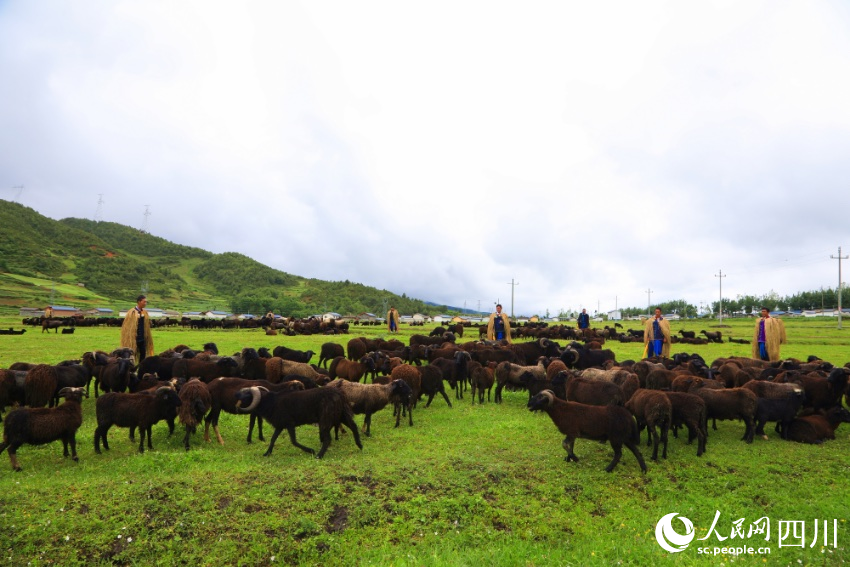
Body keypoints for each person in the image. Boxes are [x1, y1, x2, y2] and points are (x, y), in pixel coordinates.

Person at [120, 295, 154, 364]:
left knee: (143, 353)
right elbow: (127, 326)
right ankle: (131, 368)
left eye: (146, 302)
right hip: (133, 339)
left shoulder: (145, 312)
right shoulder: (131, 313)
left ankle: (140, 367)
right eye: (144, 302)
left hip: (142, 338)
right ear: (139, 302)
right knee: (132, 354)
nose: (145, 303)